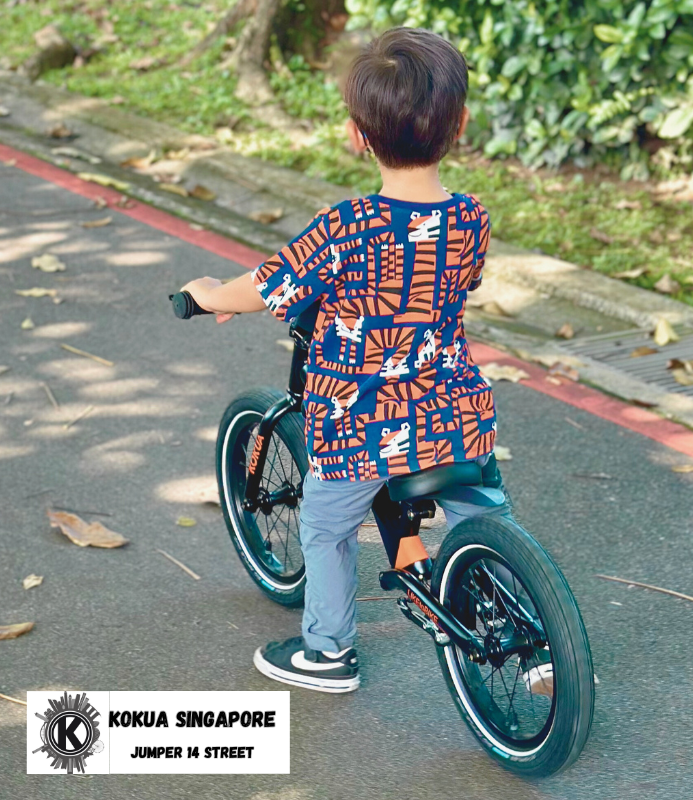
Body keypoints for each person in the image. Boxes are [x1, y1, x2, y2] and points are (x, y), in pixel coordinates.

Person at [180, 26, 502, 694]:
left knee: (326, 527)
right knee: (485, 515)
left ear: (357, 133)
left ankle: (327, 651)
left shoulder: (347, 226)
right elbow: (454, 284)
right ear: (461, 124)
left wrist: (213, 296)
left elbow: (270, 285)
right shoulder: (472, 218)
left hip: (361, 423)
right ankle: (504, 602)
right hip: (456, 412)